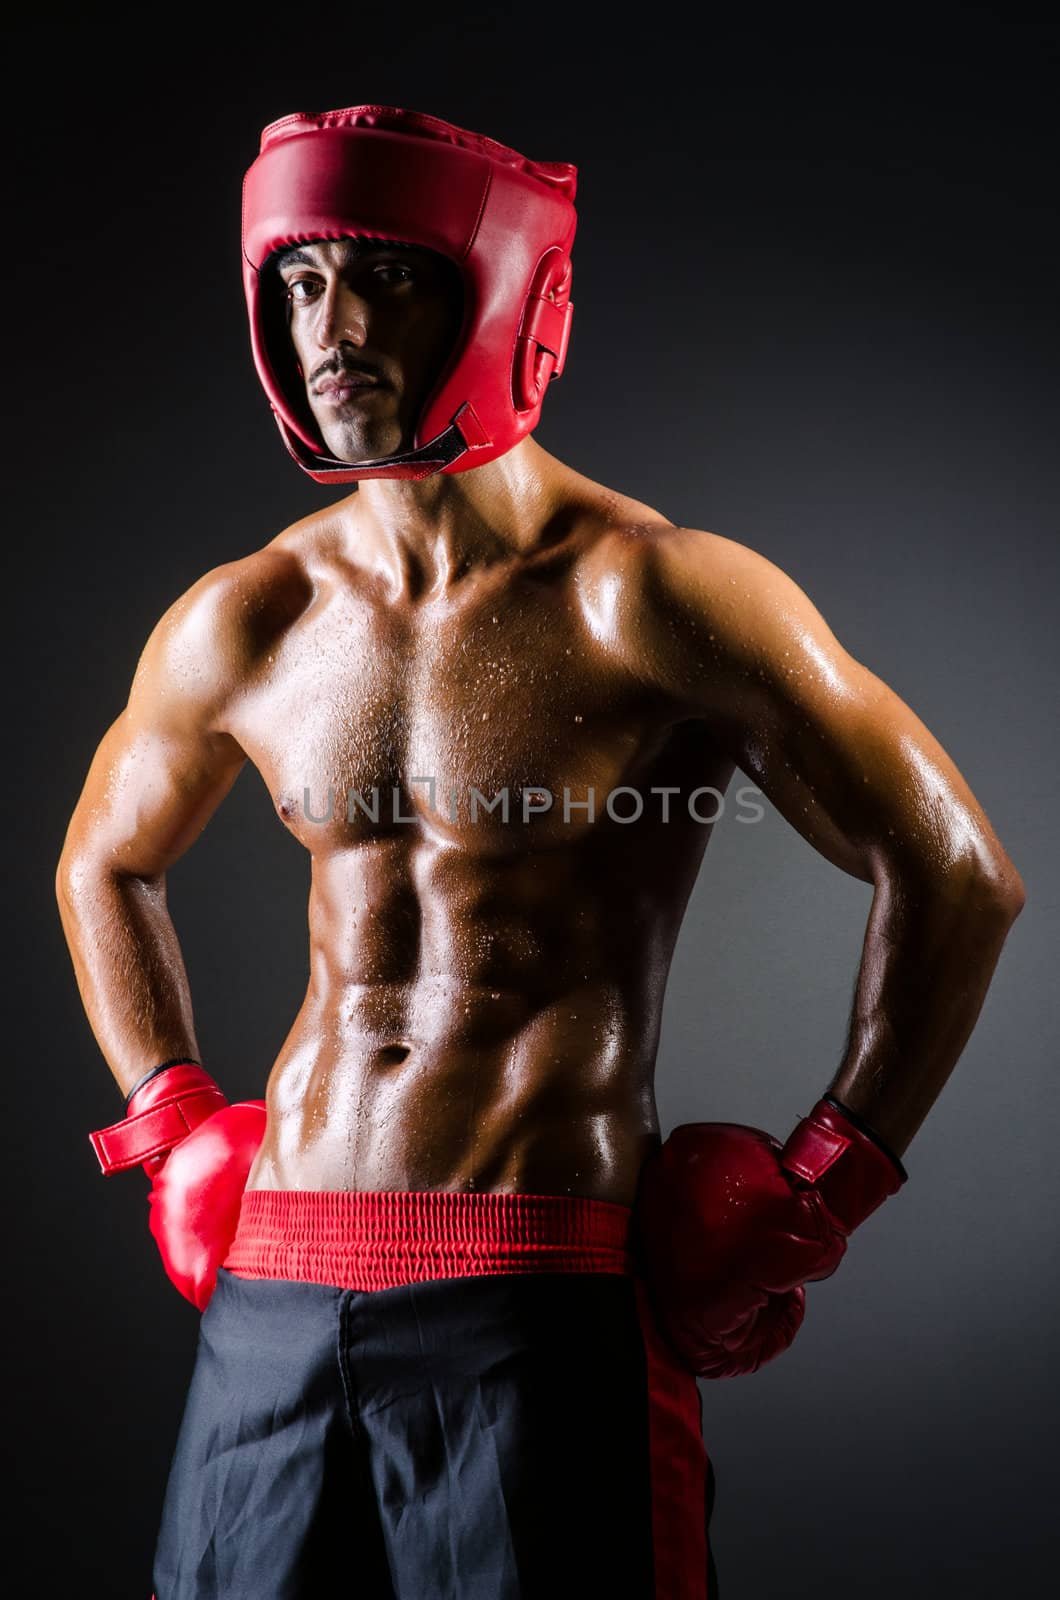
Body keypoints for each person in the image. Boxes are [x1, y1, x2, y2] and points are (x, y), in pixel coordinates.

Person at [55, 105, 1026, 1599]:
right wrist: (172, 1120)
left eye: (383, 277)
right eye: (301, 283)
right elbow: (101, 864)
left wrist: (823, 1186)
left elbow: (957, 871)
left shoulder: (655, 596)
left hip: (533, 1290)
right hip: (269, 1293)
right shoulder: (247, 616)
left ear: (505, 297)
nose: (334, 327)